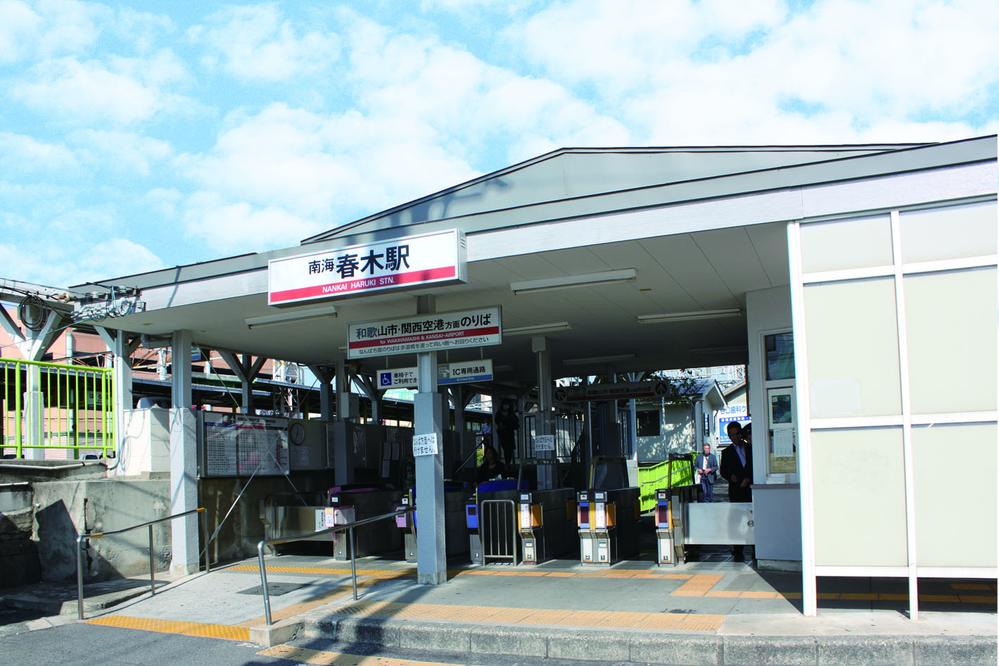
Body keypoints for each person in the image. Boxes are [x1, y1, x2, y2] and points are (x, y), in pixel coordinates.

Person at [720, 421, 753, 562]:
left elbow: (754, 465)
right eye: (731, 435)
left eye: (737, 434)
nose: (735, 437)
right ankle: (737, 549)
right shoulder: (726, 452)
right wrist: (730, 476)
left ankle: (755, 547)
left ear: (741, 433)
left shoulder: (751, 448)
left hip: (751, 489)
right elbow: (723, 471)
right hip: (736, 490)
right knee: (736, 520)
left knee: (752, 519)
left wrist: (749, 478)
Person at [495, 399, 519, 467]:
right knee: (506, 448)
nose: (506, 406)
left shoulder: (511, 414)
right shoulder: (499, 413)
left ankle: (508, 462)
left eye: (507, 405)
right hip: (503, 434)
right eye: (504, 404)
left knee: (509, 449)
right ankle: (507, 462)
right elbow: (497, 421)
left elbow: (516, 423)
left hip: (509, 433)